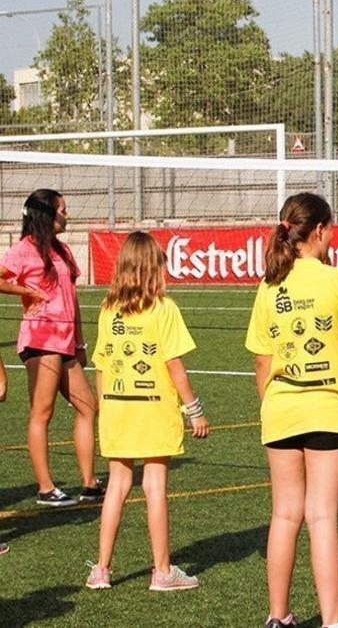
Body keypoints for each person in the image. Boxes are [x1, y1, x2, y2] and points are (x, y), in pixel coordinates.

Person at [246, 193, 338, 628]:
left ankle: (277, 617)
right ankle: (333, 622)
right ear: (319, 232)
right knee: (321, 516)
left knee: (283, 514)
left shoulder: (269, 285)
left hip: (280, 407)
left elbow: (261, 359)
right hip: (327, 406)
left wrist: (270, 405)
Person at [85, 232, 209, 591]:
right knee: (155, 486)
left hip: (118, 408)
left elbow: (102, 365)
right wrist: (194, 410)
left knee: (117, 486)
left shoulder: (109, 309)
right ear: (153, 268)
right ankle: (162, 571)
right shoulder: (164, 308)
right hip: (153, 408)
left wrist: (105, 405)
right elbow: (176, 367)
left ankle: (101, 571)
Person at [0, 189, 103, 507]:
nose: (67, 215)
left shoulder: (63, 251)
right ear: (48, 215)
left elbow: (72, 300)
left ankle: (89, 483)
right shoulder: (23, 250)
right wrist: (27, 292)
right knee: (42, 412)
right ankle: (45, 488)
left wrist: (81, 343)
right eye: (63, 210)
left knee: (89, 406)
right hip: (40, 340)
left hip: (66, 341)